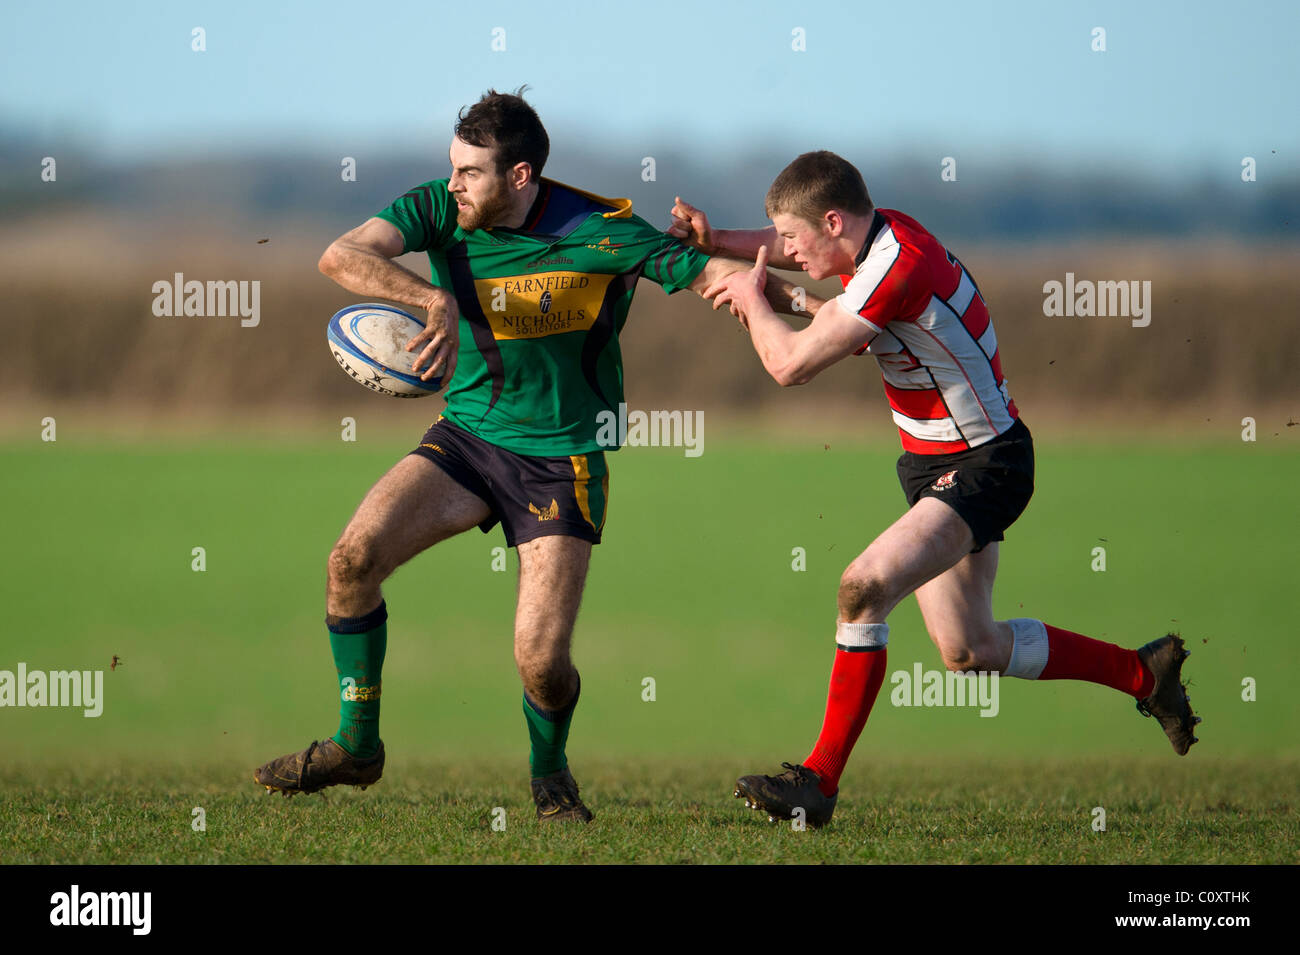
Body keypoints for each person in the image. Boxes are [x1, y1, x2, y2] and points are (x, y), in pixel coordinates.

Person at [253, 89, 817, 822]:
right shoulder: (440, 209)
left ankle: (550, 775)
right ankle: (357, 745)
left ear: (520, 178)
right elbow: (342, 256)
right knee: (351, 559)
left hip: (563, 458)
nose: (454, 184)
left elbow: (721, 278)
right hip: (467, 436)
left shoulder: (603, 230)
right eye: (452, 167)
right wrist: (432, 299)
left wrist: (820, 310)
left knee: (541, 663)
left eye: (472, 173)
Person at [670, 150, 1199, 828]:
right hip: (936, 467)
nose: (789, 253)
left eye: (796, 240)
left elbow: (790, 364)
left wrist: (749, 295)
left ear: (835, 222)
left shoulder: (897, 268)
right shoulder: (878, 238)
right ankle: (1143, 674)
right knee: (967, 646)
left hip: (986, 465)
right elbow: (799, 270)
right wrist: (720, 245)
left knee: (862, 587)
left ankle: (817, 784)